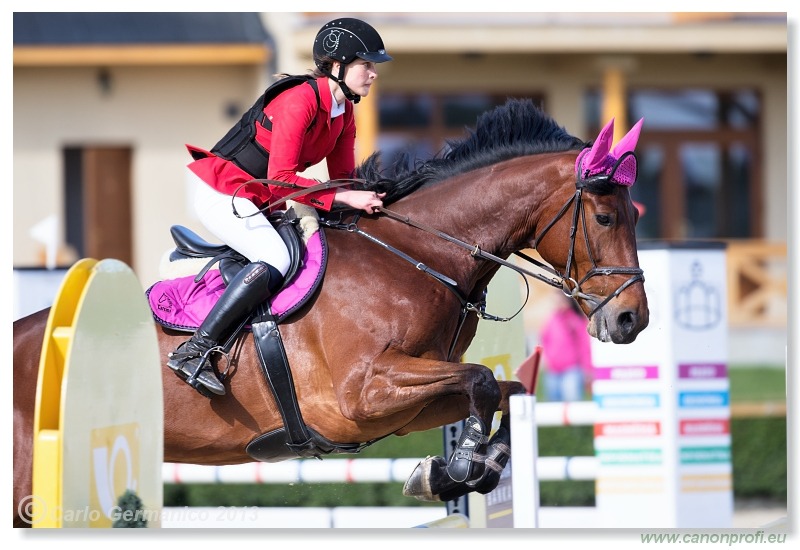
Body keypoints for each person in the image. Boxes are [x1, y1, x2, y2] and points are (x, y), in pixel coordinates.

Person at [167, 17, 392, 397]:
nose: (373, 74)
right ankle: (195, 350)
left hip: (258, 194)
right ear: (337, 66)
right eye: (365, 65)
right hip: (223, 189)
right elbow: (281, 178)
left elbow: (344, 182)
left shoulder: (344, 114)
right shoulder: (299, 100)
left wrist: (372, 201)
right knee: (277, 257)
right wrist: (343, 197)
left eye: (373, 67)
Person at [539, 292, 593, 402]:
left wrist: (587, 368)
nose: (557, 304)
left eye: (560, 301)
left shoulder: (576, 320)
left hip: (571, 369)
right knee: (553, 403)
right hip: (553, 370)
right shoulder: (552, 319)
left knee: (572, 401)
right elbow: (545, 339)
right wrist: (547, 359)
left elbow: (584, 346)